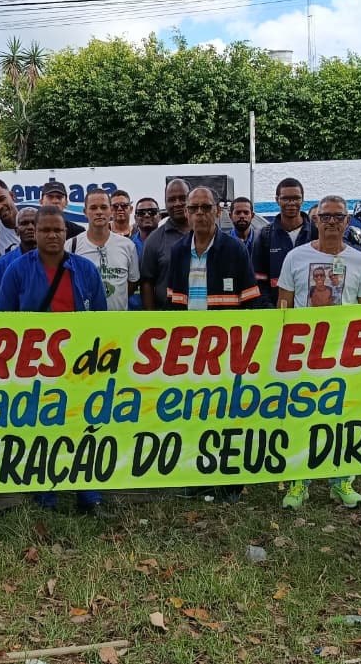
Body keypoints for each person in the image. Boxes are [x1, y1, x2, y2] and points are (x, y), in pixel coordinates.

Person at [0, 206, 107, 513]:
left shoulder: (85, 270)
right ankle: (46, 495)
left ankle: (89, 493)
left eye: (58, 230)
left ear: (66, 232)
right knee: (40, 428)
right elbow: (5, 322)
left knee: (84, 427)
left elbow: (100, 319)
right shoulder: (17, 270)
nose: (52, 235)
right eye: (45, 230)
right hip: (34, 366)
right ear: (34, 232)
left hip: (79, 365)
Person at [276, 196, 361, 510]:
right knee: (301, 417)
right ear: (315, 220)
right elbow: (284, 306)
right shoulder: (295, 257)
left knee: (344, 418)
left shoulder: (360, 261)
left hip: (345, 354)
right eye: (326, 216)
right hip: (304, 354)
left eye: (338, 217)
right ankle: (298, 482)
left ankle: (342, 481)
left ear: (347, 222)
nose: (332, 222)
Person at [164, 188, 261, 502]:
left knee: (229, 416)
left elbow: (249, 303)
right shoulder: (178, 251)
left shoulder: (234, 250)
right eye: (194, 208)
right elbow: (173, 304)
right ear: (187, 213)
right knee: (194, 414)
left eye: (206, 207)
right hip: (190, 351)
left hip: (227, 351)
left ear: (219, 211)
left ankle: (230, 482)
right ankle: (197, 478)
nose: (200, 213)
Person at [67, 189, 140, 311]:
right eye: (93, 208)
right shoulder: (71, 246)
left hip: (118, 323)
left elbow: (132, 283)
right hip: (85, 324)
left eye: (104, 207)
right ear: (85, 212)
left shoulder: (127, 245)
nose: (99, 212)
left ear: (111, 211)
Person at [253, 177, 317, 305]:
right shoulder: (264, 236)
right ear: (277, 200)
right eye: (285, 199)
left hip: (311, 314)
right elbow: (259, 282)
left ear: (303, 199)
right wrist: (270, 311)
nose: (291, 203)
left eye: (296, 198)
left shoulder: (316, 233)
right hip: (277, 314)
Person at [139, 179, 190, 310]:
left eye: (182, 198)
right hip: (167, 320)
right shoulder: (154, 240)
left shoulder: (204, 235)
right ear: (165, 203)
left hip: (206, 318)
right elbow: (147, 283)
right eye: (172, 199)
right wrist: (152, 320)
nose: (177, 203)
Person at [0, 207, 37, 311]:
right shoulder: (2, 264)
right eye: (24, 223)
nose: (30, 227)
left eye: (34, 223)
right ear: (16, 230)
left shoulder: (54, 262)